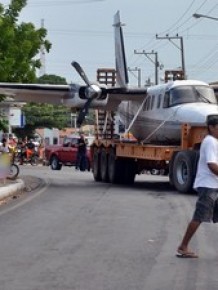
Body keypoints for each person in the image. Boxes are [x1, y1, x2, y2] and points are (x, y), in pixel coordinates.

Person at [177, 114, 218, 258]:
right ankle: (183, 246)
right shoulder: (210, 141)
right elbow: (212, 165)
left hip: (214, 184)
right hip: (208, 186)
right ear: (211, 127)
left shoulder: (215, 141)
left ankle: (183, 246)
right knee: (199, 216)